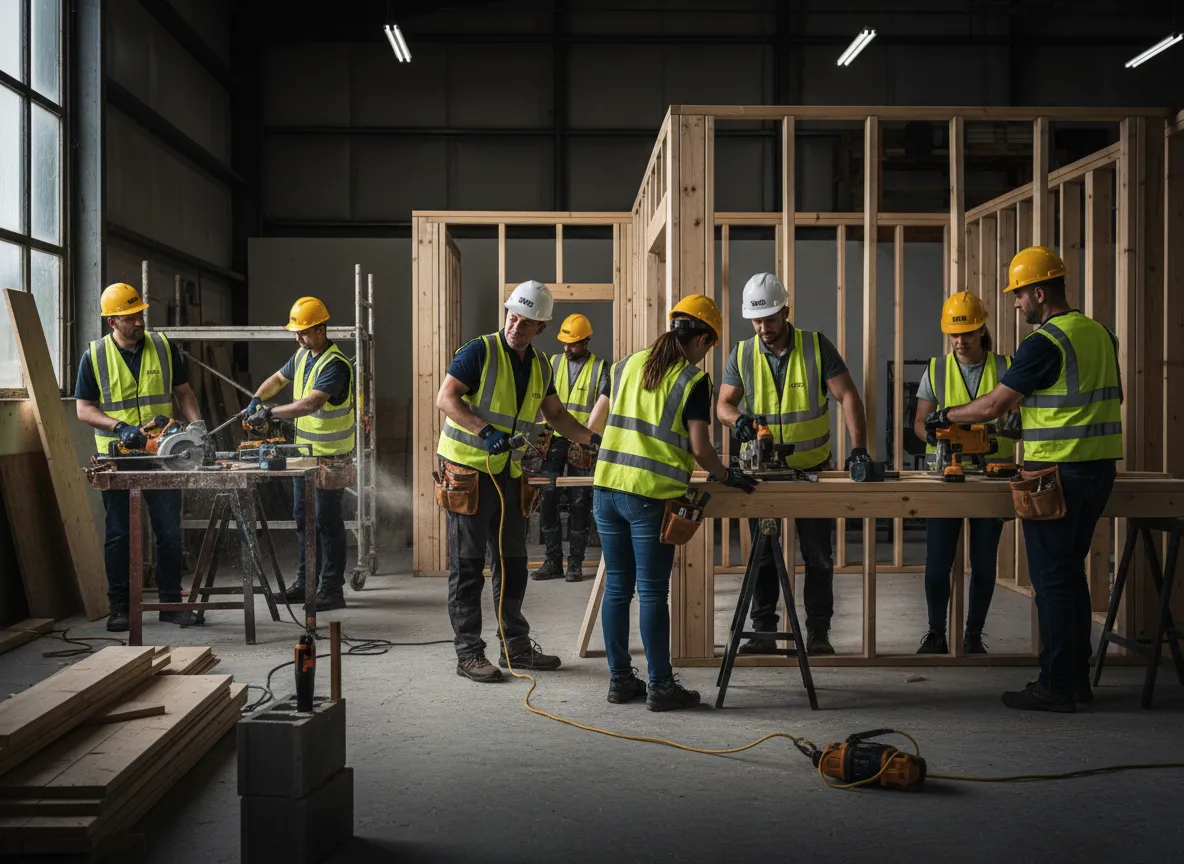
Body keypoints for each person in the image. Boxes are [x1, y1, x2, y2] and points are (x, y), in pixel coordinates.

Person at [925, 247, 1121, 713]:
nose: (1015, 304)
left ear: (1038, 292)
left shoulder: (1045, 342)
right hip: (1099, 469)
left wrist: (946, 414)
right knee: (1070, 575)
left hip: (1056, 473)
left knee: (1051, 581)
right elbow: (1091, 400)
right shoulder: (1100, 334)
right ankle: (1076, 680)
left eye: (1018, 295)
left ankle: (1055, 686)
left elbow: (994, 405)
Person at [587, 295, 757, 712]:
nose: (706, 355)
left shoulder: (625, 364)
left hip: (606, 490)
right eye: (708, 346)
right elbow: (701, 448)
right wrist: (726, 475)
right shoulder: (692, 381)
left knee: (617, 589)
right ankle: (660, 686)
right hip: (649, 497)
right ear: (701, 337)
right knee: (651, 593)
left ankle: (620, 680)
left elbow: (594, 424)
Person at [436, 281, 601, 684]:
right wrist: (483, 429)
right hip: (468, 474)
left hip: (510, 476)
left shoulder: (542, 365)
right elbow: (446, 398)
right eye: (513, 317)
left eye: (526, 323)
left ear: (541, 327)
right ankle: (469, 653)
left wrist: (594, 439)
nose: (516, 327)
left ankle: (515, 646)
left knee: (512, 564)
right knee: (470, 566)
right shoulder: (480, 350)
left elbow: (557, 416)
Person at [716, 273, 869, 655]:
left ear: (786, 311)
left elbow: (848, 396)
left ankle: (819, 633)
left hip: (812, 472)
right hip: (763, 476)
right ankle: (764, 630)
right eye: (756, 320)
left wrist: (859, 449)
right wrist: (740, 421)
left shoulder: (817, 347)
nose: (763, 328)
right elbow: (723, 406)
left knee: (818, 556)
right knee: (763, 553)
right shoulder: (743, 353)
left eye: (769, 319)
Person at [74, 282, 204, 632]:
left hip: (163, 456)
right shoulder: (95, 356)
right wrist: (118, 427)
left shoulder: (162, 346)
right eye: (130, 317)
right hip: (117, 459)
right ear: (112, 322)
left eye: (139, 314)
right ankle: (120, 607)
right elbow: (84, 410)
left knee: (169, 532)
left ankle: (170, 605)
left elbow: (184, 392)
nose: (138, 320)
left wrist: (198, 425)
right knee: (119, 534)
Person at [912, 290, 1014, 655]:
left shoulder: (1005, 366)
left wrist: (995, 432)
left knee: (985, 564)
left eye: (967, 332)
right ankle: (936, 633)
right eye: (954, 334)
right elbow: (920, 424)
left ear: (981, 329)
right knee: (938, 561)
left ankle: (973, 636)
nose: (960, 340)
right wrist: (943, 438)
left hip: (992, 477)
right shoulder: (936, 369)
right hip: (945, 478)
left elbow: (1018, 419)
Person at [247, 296, 355, 612]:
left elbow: (311, 404)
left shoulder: (335, 365)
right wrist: (257, 398)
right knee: (303, 518)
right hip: (306, 454)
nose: (298, 337)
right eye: (296, 332)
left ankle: (332, 589)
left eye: (304, 331)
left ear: (321, 329)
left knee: (325, 520)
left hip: (331, 457)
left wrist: (270, 412)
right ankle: (306, 583)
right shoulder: (303, 355)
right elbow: (278, 379)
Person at [532, 313, 610, 584]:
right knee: (548, 498)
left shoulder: (601, 368)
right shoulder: (552, 363)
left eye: (574, 344)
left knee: (580, 500)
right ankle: (553, 562)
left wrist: (589, 437)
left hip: (583, 440)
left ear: (587, 341)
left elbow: (603, 407)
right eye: (565, 343)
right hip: (552, 438)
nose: (567, 348)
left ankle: (575, 563)